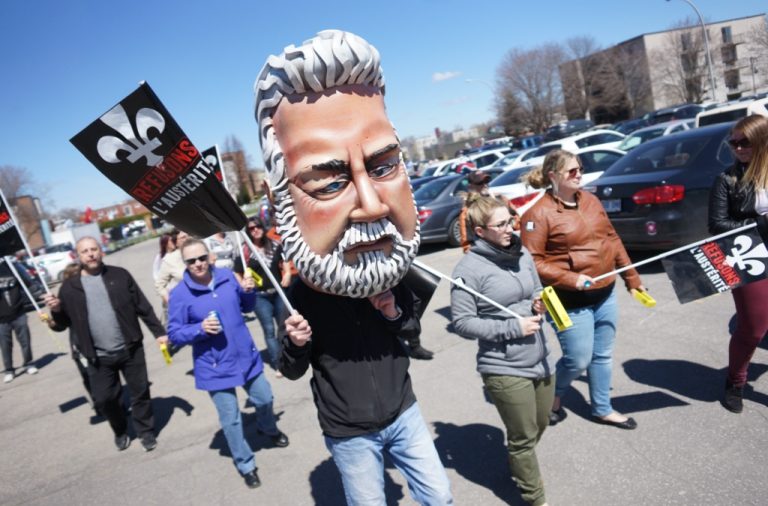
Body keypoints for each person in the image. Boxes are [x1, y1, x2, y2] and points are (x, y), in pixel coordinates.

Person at [255, 30, 452, 504]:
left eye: (383, 167)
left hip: (403, 413)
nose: (370, 205)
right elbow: (292, 369)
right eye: (328, 182)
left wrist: (390, 312)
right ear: (280, 199)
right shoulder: (299, 297)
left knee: (440, 497)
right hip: (349, 433)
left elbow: (407, 328)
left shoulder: (393, 272)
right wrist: (294, 341)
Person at [520, 149, 646, 430]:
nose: (579, 175)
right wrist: (569, 278)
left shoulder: (590, 200)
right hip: (563, 299)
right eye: (572, 171)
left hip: (604, 292)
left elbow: (611, 239)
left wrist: (632, 278)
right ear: (553, 176)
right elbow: (531, 261)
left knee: (601, 355)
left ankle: (602, 409)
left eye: (580, 169)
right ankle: (552, 395)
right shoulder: (537, 214)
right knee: (578, 359)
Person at [451, 194, 554, 506]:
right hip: (503, 366)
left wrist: (540, 302)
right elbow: (463, 322)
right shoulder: (468, 270)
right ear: (481, 232)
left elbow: (535, 287)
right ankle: (535, 498)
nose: (510, 228)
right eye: (501, 224)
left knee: (541, 423)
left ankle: (518, 462)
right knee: (523, 439)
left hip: (539, 356)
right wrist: (512, 327)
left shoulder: (520, 252)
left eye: (510, 220)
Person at [163, 239, 288, 488]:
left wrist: (249, 292)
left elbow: (246, 306)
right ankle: (245, 464)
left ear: (209, 257)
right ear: (184, 264)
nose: (197, 264)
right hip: (214, 367)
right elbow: (174, 334)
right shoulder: (179, 295)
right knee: (231, 419)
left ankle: (267, 427)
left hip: (245, 356)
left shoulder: (227, 276)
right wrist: (199, 329)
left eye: (201, 258)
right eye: (191, 261)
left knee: (264, 398)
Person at [43, 237, 166, 451]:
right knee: (104, 399)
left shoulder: (120, 275)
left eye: (93, 249)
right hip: (97, 356)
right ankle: (120, 429)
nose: (90, 254)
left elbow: (142, 306)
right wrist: (55, 310)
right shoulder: (69, 288)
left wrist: (158, 332)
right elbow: (63, 324)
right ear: (78, 256)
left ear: (101, 252)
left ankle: (145, 431)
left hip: (130, 348)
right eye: (85, 251)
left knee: (140, 392)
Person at [708, 114, 768, 413]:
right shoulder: (727, 179)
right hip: (750, 257)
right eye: (734, 143)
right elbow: (717, 224)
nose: (738, 148)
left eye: (745, 142)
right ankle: (736, 381)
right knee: (753, 328)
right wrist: (759, 224)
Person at [234, 218, 291, 372]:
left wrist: (287, 274)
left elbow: (285, 259)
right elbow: (237, 271)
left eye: (258, 226)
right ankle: (277, 363)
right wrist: (243, 283)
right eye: (251, 228)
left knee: (283, 328)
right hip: (260, 296)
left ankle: (288, 360)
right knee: (269, 330)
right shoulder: (245, 251)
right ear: (248, 232)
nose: (255, 230)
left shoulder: (273, 244)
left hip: (278, 292)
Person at [46, 262, 97, 410]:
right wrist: (51, 320)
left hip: (101, 341)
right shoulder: (64, 297)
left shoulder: (95, 289)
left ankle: (115, 404)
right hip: (79, 346)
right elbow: (61, 324)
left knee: (107, 375)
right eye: (74, 276)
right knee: (88, 376)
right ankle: (99, 404)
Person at [1, 258, 38, 384]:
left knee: (25, 341)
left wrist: (35, 290)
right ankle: (9, 370)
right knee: (5, 345)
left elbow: (27, 283)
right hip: (2, 318)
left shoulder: (11, 266)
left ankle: (29, 364)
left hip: (19, 313)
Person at [458, 171, 491, 252]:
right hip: (486, 252)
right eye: (480, 183)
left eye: (486, 181)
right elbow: (466, 244)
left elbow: (517, 223)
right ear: (470, 187)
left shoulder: (498, 199)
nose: (485, 185)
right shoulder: (467, 210)